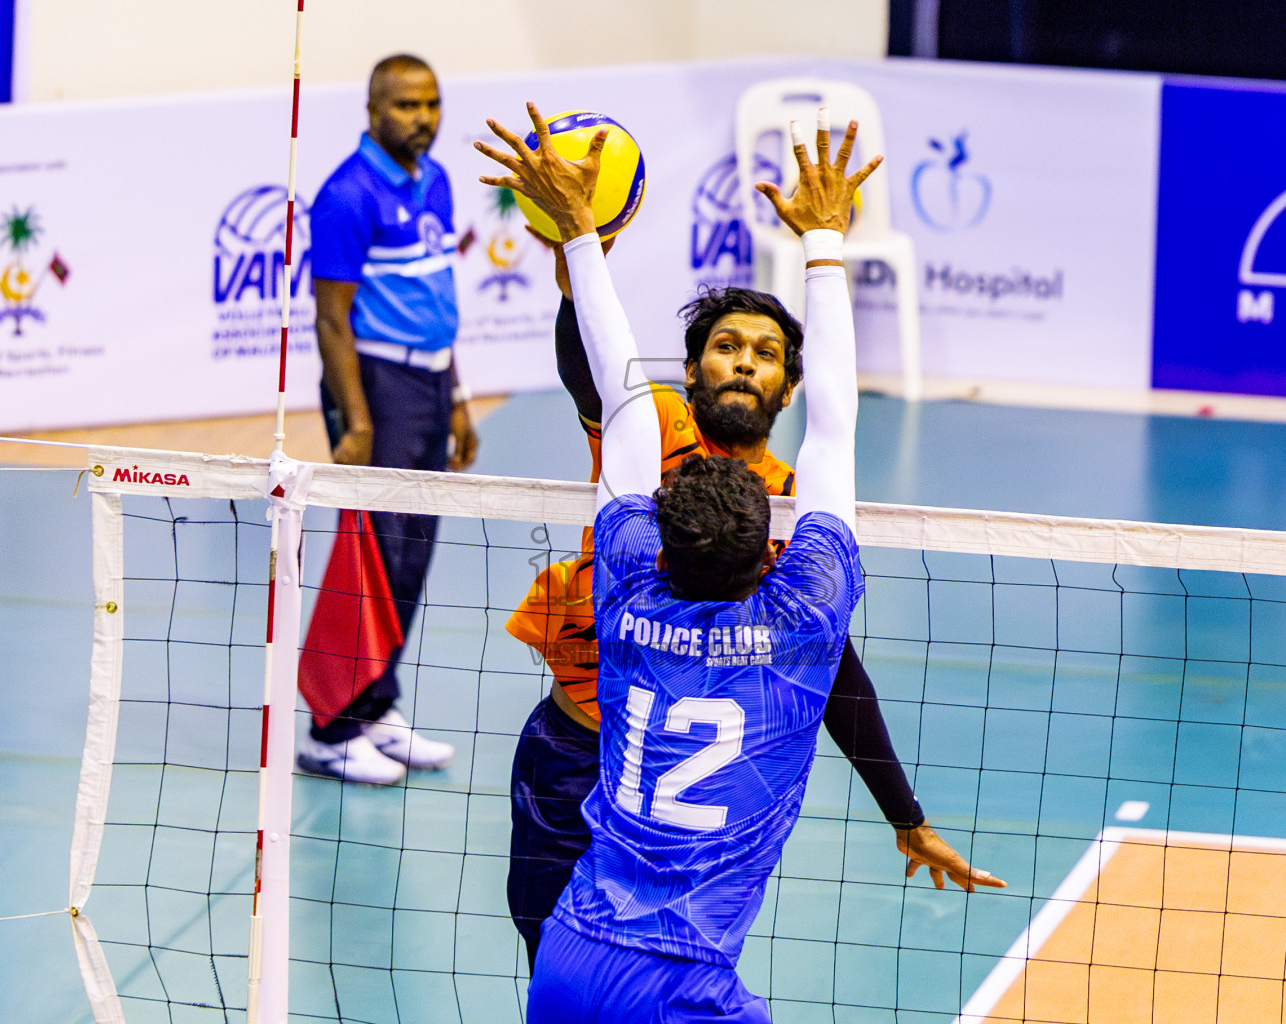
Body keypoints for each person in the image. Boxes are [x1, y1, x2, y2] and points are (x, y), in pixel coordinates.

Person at [478, 102, 1005, 1021]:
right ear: (689, 370)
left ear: (786, 386)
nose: (743, 364)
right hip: (575, 756)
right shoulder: (664, 433)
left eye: (765, 354)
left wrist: (901, 811)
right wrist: (575, 265)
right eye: (725, 346)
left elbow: (835, 672)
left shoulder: (759, 506)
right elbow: (592, 371)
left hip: (658, 799)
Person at [295, 54, 478, 784]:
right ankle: (327, 729)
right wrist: (358, 420)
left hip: (430, 381)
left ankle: (374, 705)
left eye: (431, 104)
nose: (423, 119)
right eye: (406, 106)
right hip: (378, 383)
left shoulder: (435, 182)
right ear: (373, 109)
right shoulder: (346, 195)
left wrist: (458, 395)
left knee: (413, 553)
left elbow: (436, 291)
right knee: (369, 555)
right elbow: (331, 318)